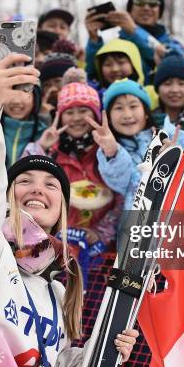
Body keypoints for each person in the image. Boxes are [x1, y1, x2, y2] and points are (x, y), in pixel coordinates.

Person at [0, 52, 139, 367]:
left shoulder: (57, 290)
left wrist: (103, 347)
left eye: (52, 185)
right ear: (6, 198)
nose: (38, 189)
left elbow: (58, 366)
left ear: (64, 208)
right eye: (24, 181)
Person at [24, 81, 119, 252]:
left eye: (83, 111)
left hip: (97, 252)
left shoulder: (108, 151)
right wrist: (41, 147)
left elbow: (122, 198)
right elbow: (23, 184)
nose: (76, 118)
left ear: (96, 115)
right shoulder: (52, 152)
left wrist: (100, 233)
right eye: (69, 112)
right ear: (60, 116)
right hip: (54, 248)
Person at [93, 79, 156, 210]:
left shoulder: (170, 138)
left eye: (133, 106)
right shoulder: (110, 150)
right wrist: (112, 152)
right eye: (118, 108)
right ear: (109, 117)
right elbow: (119, 182)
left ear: (146, 113)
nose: (127, 115)